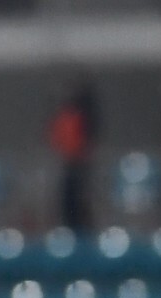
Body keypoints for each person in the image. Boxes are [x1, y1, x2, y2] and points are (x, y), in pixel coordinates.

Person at [47, 82, 97, 233]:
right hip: (66, 163)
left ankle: (81, 227)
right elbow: (56, 139)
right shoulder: (63, 118)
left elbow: (84, 140)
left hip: (79, 163)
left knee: (80, 198)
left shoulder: (80, 118)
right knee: (66, 198)